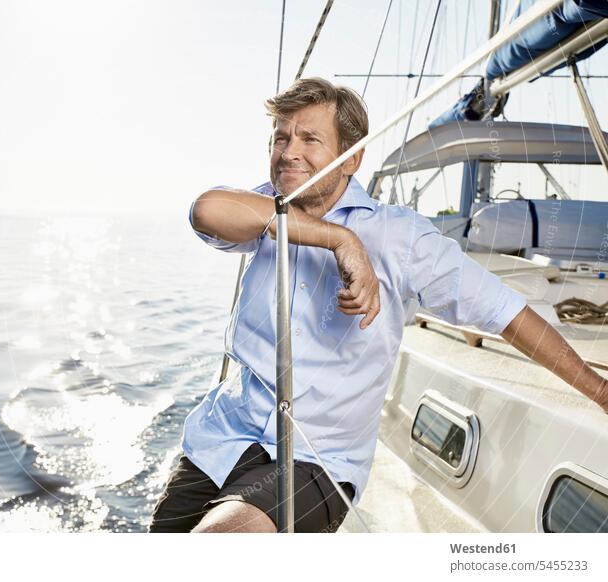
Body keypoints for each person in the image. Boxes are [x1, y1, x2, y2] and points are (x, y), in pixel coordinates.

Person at [148, 77, 608, 534]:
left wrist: (600, 392)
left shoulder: (401, 236)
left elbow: (505, 313)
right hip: (224, 436)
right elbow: (204, 211)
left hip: (316, 459)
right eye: (281, 138)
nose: (289, 151)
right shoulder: (267, 208)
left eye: (310, 139)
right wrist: (338, 239)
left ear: (353, 157)